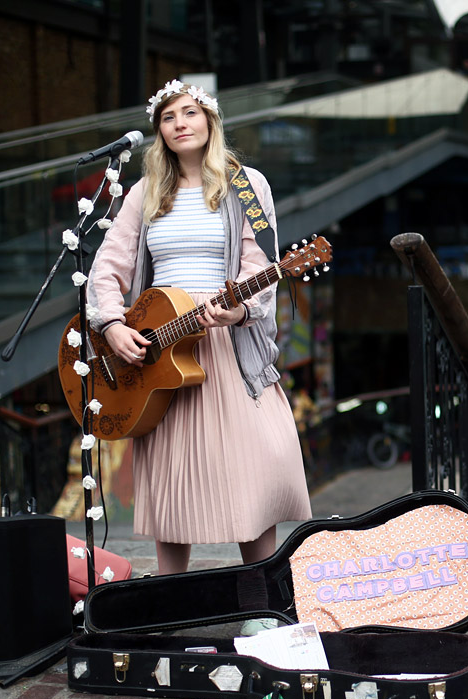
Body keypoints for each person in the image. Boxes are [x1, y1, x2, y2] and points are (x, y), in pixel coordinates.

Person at [86, 81, 312, 603]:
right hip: (158, 352)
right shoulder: (145, 192)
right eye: (168, 117)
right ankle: (171, 602)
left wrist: (239, 309)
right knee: (170, 479)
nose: (180, 122)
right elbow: (106, 269)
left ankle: (262, 606)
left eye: (190, 112)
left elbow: (262, 266)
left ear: (210, 121)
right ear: (158, 132)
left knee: (251, 472)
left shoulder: (247, 184)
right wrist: (114, 325)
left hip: (224, 347)